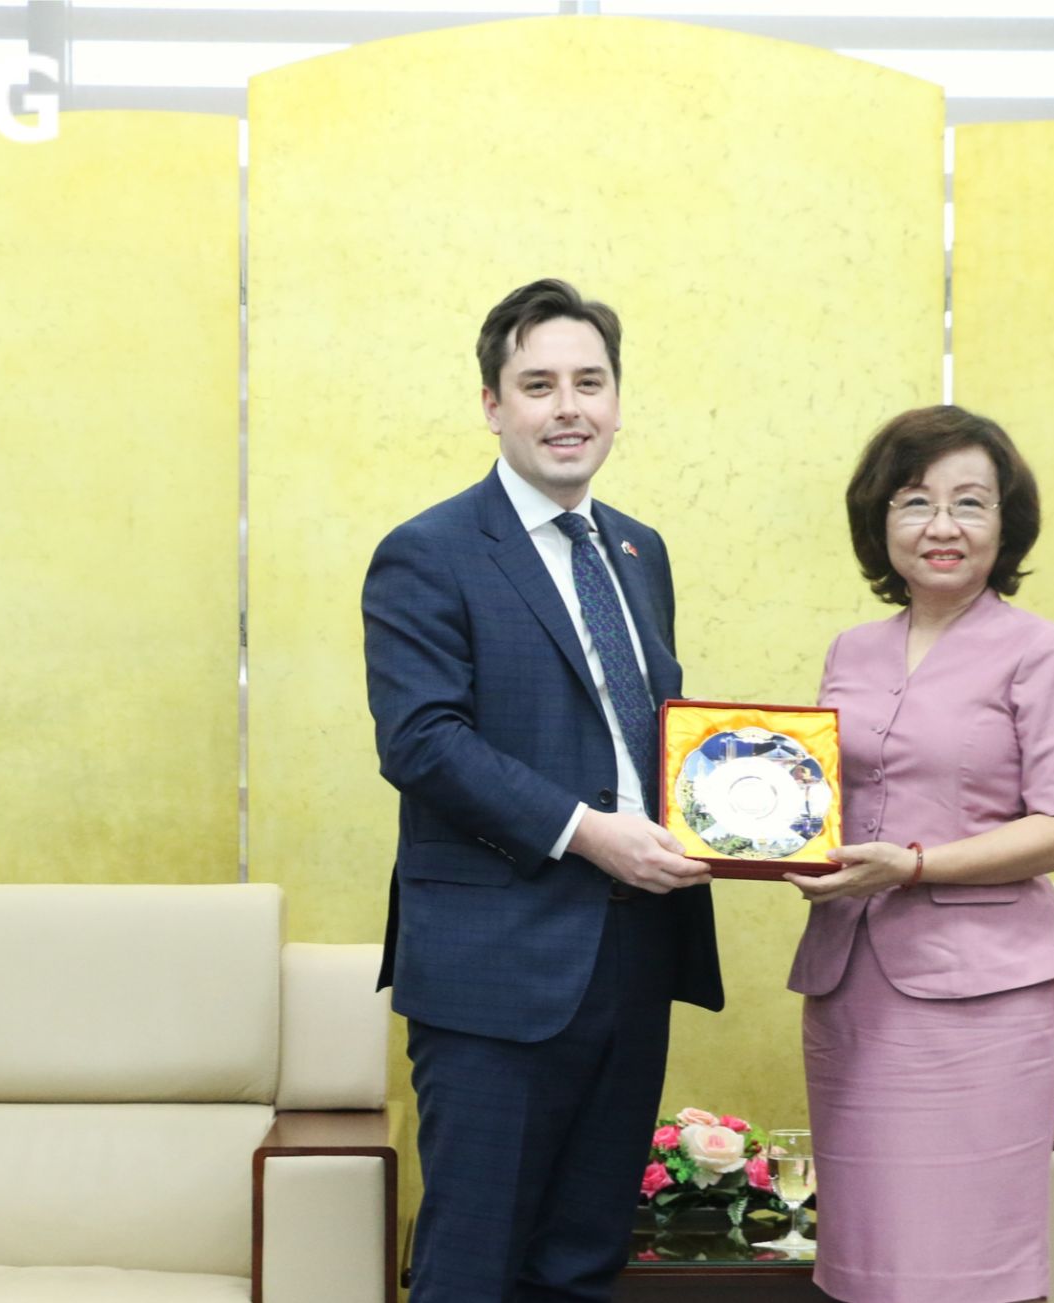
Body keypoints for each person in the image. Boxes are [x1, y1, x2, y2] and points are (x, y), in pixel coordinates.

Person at [363, 277, 723, 1303]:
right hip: (496, 971)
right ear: (493, 404)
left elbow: (646, 733)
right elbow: (422, 741)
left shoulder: (635, 549)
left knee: (582, 1258)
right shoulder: (427, 552)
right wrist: (587, 832)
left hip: (632, 949)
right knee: (471, 1267)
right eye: (537, 384)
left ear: (615, 399)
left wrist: (740, 815)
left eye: (589, 382)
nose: (568, 406)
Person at [784, 404, 1054, 1303]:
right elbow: (829, 802)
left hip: (982, 1001)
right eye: (915, 501)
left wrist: (916, 863)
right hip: (851, 987)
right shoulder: (851, 650)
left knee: (970, 1260)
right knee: (866, 1257)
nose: (942, 526)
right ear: (878, 519)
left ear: (1006, 525)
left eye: (970, 503)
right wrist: (780, 845)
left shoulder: (1042, 650)